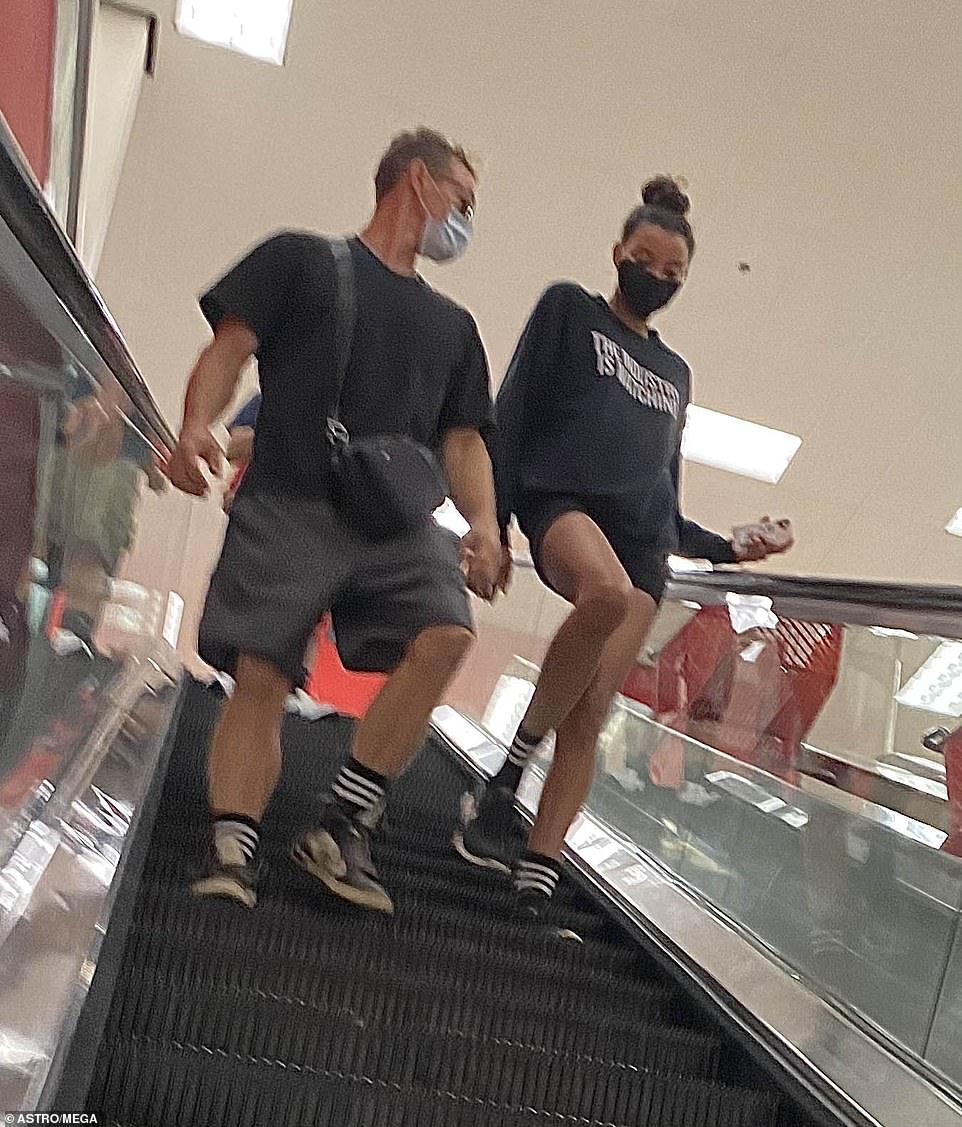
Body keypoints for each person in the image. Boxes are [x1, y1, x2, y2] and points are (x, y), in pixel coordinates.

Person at [166, 128, 504, 912]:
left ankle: (342, 819)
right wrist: (194, 426)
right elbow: (229, 351)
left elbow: (462, 440)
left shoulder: (454, 327)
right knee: (263, 669)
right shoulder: (301, 259)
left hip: (397, 520)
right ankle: (232, 842)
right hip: (289, 497)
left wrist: (485, 523)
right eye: (462, 199)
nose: (465, 219)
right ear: (418, 181)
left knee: (446, 633)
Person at [455, 177, 793, 923]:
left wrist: (730, 546)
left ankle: (538, 869)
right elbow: (513, 410)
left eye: (673, 272)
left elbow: (664, 498)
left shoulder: (676, 374)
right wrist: (495, 525)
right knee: (603, 593)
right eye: (645, 261)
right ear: (618, 253)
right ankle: (512, 765)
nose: (657, 278)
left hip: (644, 544)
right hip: (564, 505)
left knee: (590, 714)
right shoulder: (569, 311)